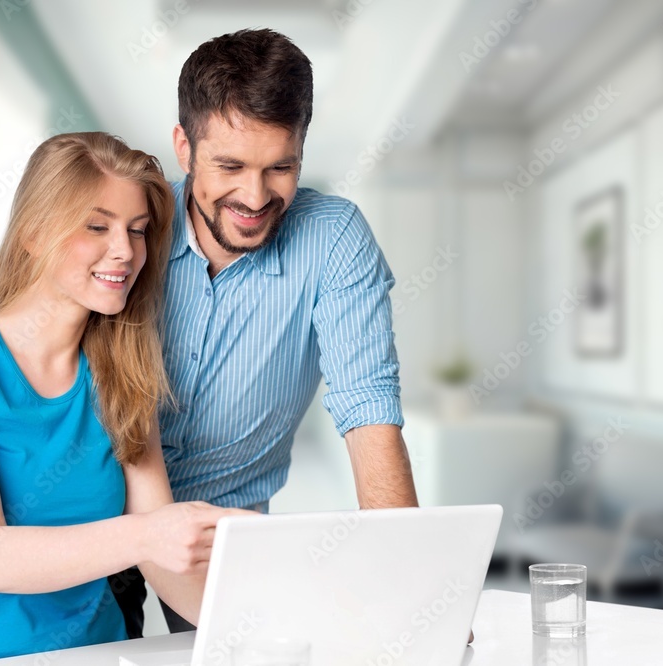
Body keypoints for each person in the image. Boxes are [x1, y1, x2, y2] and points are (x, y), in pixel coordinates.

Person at [111, 28, 420, 636]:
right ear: (184, 146)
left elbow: (369, 410)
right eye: (230, 165)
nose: (254, 197)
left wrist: (409, 590)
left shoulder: (333, 239)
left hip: (224, 532)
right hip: (99, 507)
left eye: (280, 167)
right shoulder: (132, 228)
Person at [0, 132, 248, 666]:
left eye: (138, 230)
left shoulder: (124, 376)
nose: (126, 251)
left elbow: (163, 566)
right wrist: (150, 535)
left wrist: (265, 615)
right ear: (34, 233)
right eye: (97, 226)